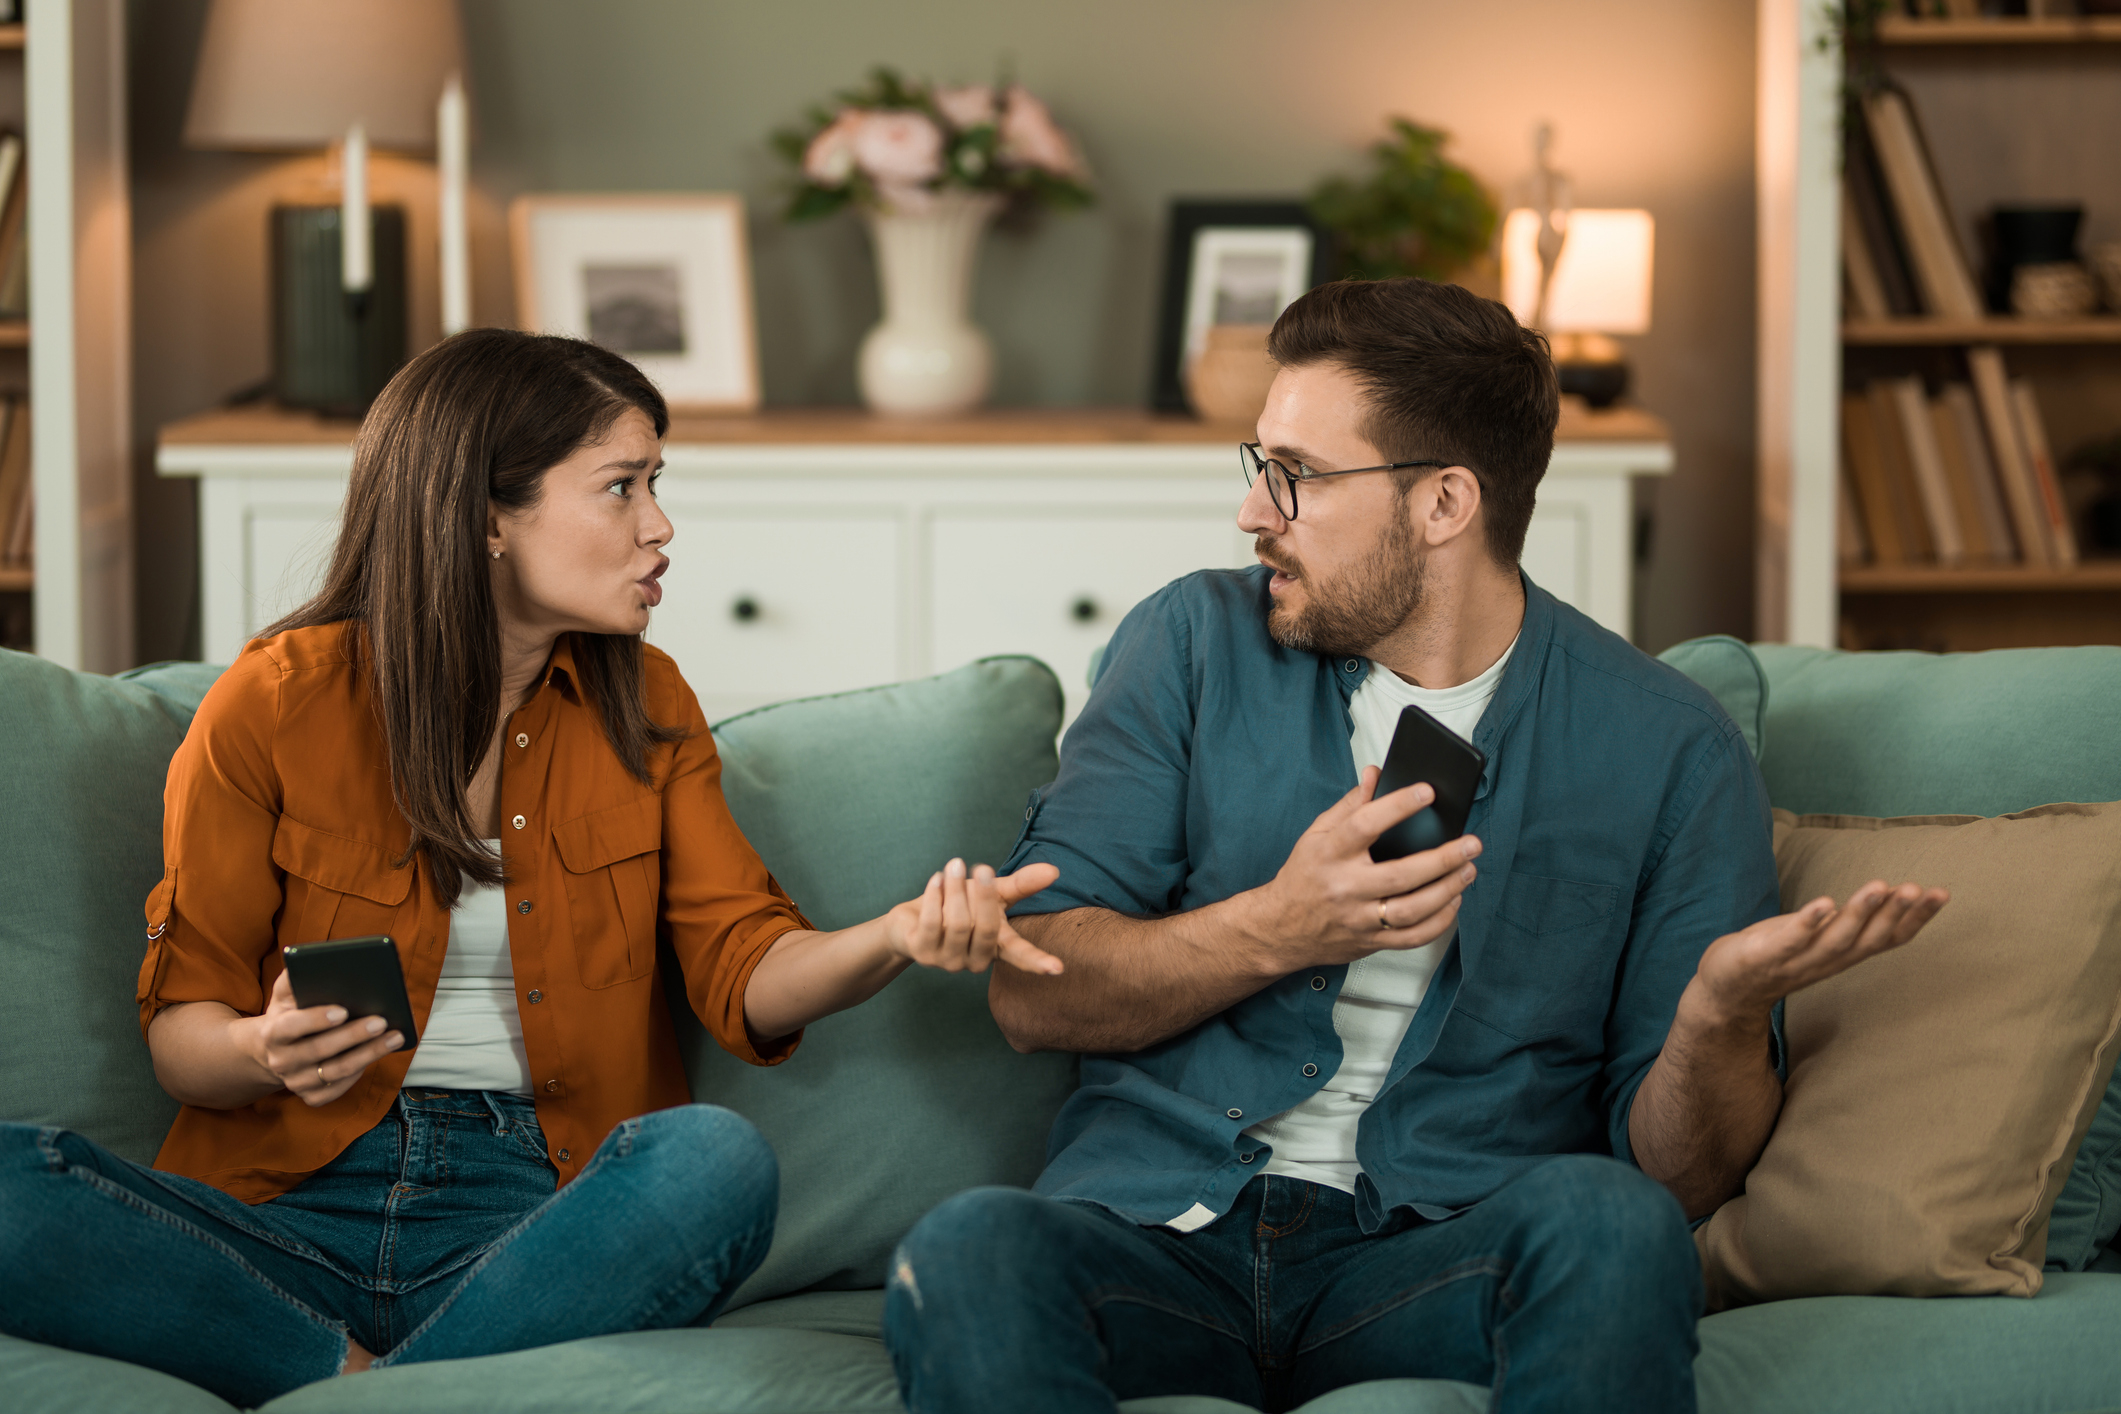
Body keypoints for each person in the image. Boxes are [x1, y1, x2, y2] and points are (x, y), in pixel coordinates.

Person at [881, 279, 1948, 1414]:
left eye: (1297, 475)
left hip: (1438, 1252)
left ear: (1444, 502)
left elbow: (1685, 1175)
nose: (1255, 514)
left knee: (1616, 1224)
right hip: (1156, 1233)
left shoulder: (1671, 748)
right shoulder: (1191, 645)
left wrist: (1714, 1024)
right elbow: (1030, 991)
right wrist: (1278, 927)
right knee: (970, 1246)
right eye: (1260, 465)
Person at [0, 329, 1059, 1408]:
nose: (660, 525)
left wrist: (895, 936)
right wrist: (264, 1049)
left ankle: (352, 1385)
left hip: (536, 1228)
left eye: (657, 483)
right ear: (486, 516)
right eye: (620, 487)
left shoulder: (649, 706)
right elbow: (185, 1041)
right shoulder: (275, 701)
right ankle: (374, 1382)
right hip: (281, 1209)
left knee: (713, 1163)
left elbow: (744, 967)